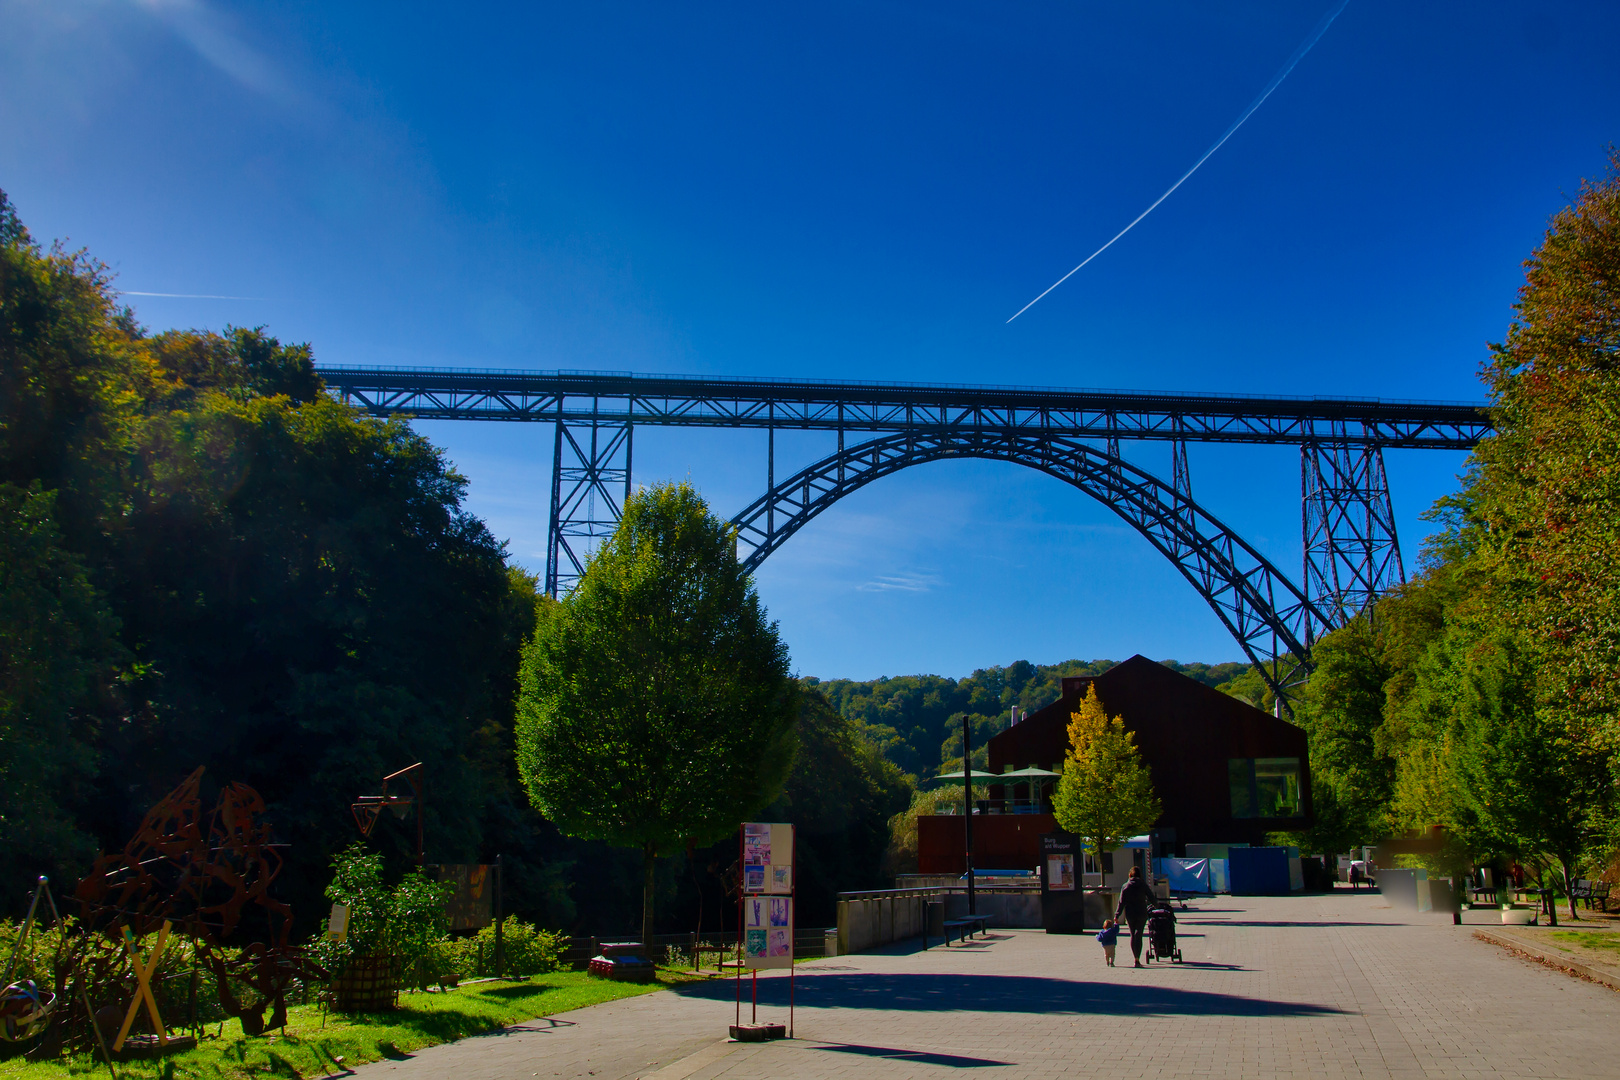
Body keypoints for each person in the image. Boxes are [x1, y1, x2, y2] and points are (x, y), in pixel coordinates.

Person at [1114, 865, 1154, 968]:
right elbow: (1151, 897)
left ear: (1130, 875)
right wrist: (1157, 905)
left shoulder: (1125, 886)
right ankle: (1138, 959)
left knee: (1132, 934)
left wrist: (1117, 915)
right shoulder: (1143, 884)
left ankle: (1135, 959)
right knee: (1139, 934)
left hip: (1130, 913)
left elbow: (1121, 902)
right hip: (1141, 912)